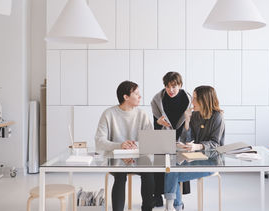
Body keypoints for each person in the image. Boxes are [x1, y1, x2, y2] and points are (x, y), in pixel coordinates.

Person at [95, 81, 154, 211]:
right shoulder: (108, 114)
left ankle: (147, 209)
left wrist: (134, 147)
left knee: (149, 173)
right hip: (115, 158)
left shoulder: (142, 114)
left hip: (138, 157)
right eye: (137, 94)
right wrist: (119, 146)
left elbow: (150, 141)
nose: (140, 97)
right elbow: (99, 141)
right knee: (120, 175)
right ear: (126, 97)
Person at [163, 85, 225, 211]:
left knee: (172, 173)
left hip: (211, 162)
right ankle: (174, 206)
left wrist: (197, 146)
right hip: (194, 158)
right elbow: (187, 139)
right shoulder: (195, 115)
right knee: (171, 168)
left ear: (205, 100)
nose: (192, 102)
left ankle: (173, 206)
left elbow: (216, 144)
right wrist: (186, 121)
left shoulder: (217, 117)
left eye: (195, 98)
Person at [151, 72, 192, 207]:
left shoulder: (188, 99)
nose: (171, 90)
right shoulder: (158, 99)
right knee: (159, 161)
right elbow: (155, 124)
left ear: (180, 85)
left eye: (174, 86)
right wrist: (159, 122)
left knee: (179, 164)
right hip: (163, 135)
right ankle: (157, 195)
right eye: (168, 87)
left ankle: (177, 199)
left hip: (182, 135)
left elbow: (190, 123)